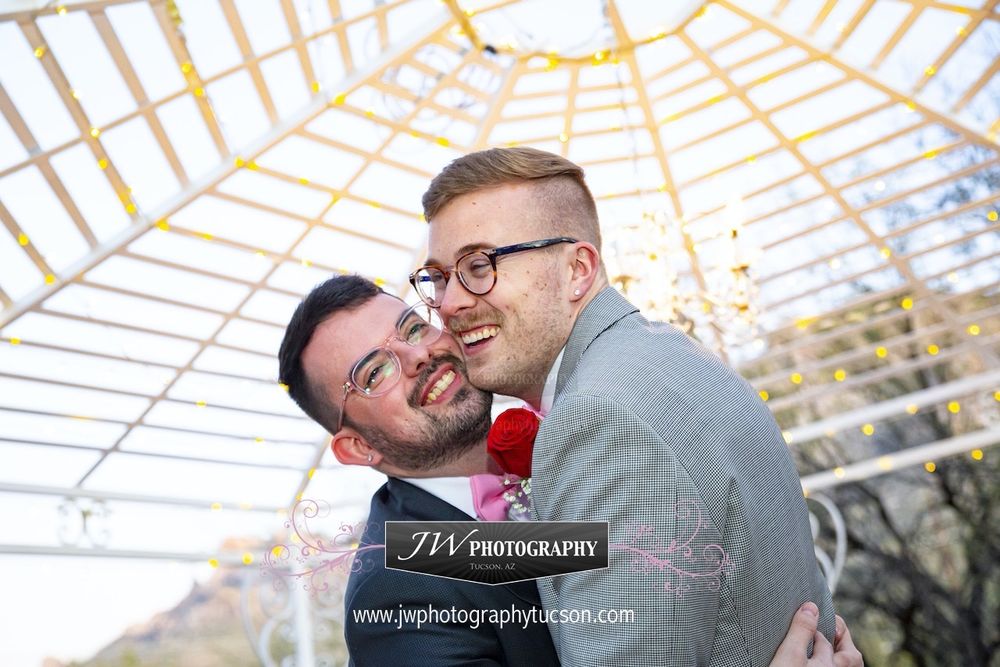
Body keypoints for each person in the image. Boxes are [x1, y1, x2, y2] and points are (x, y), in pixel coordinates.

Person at [278, 275, 862, 666]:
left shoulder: (579, 438)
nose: (417, 355)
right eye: (375, 372)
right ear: (357, 448)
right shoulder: (396, 590)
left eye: (411, 327)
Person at [412, 147, 840, 666]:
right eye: (439, 278)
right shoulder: (674, 356)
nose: (450, 303)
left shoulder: (598, 417)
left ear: (577, 269)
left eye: (479, 266)